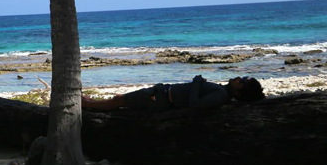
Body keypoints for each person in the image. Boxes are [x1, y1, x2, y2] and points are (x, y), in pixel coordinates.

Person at [80, 75, 264, 112]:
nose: (239, 77)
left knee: (120, 100)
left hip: (161, 99)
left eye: (243, 81)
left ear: (240, 92)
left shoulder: (221, 95)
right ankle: (92, 103)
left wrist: (196, 82)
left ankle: (86, 104)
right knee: (122, 101)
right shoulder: (222, 92)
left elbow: (194, 104)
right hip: (161, 94)